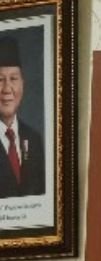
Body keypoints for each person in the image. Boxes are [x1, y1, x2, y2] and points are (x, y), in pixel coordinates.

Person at [0, 37, 43, 198]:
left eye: (13, 79)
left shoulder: (34, 139)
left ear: (22, 84)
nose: (7, 89)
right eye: (0, 79)